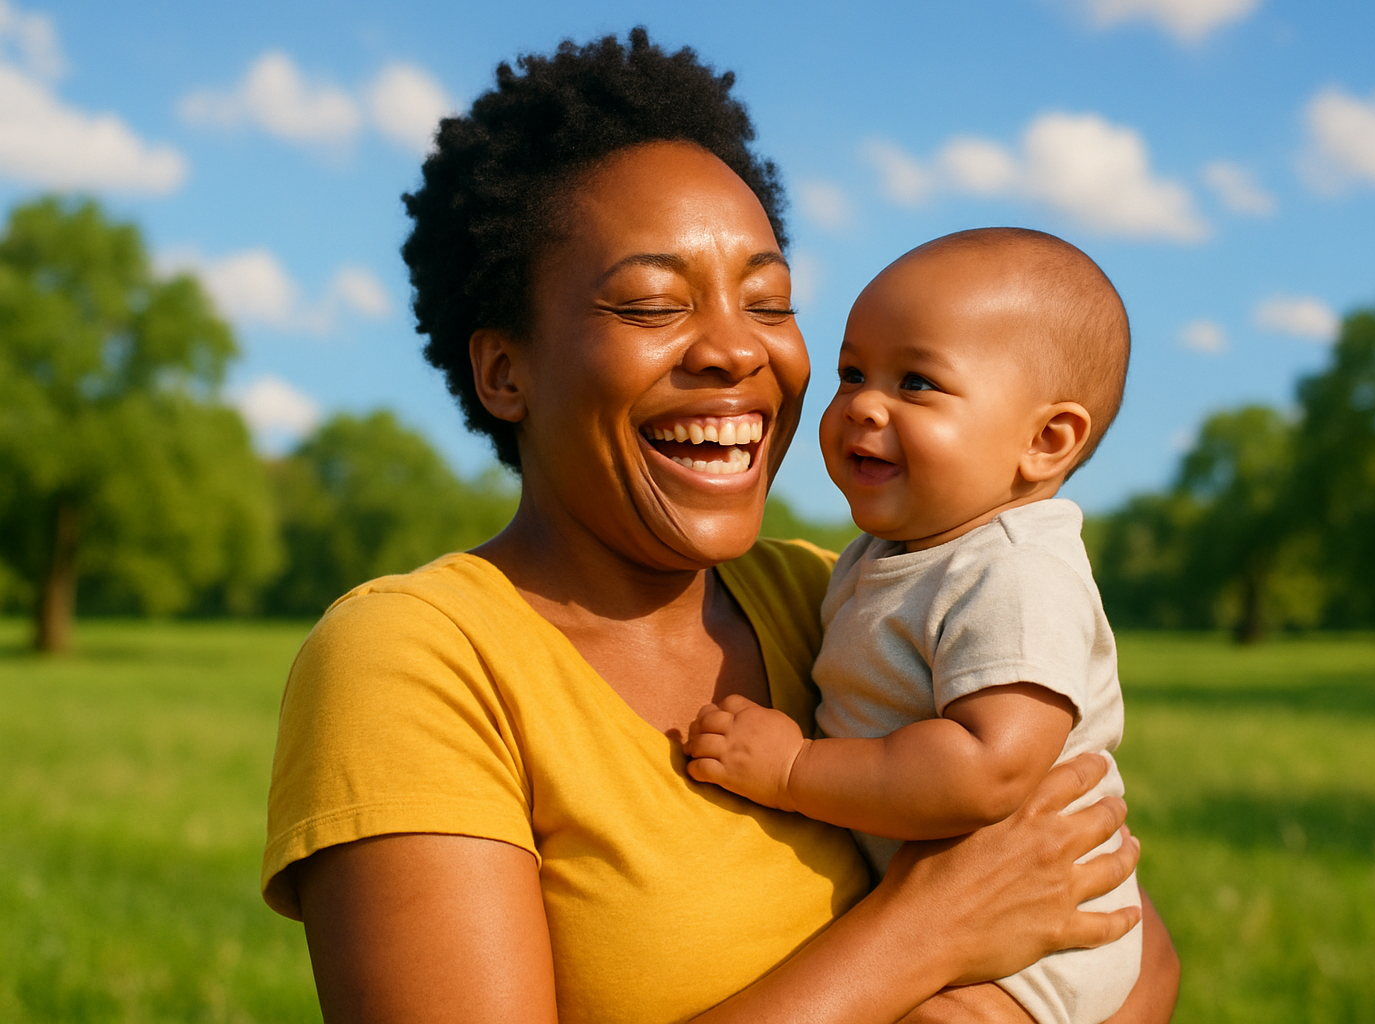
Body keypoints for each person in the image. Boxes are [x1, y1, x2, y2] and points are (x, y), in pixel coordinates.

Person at [261, 30, 1179, 1024]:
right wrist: (926, 932)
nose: (735, 349)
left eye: (769, 302)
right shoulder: (417, 659)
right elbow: (982, 903)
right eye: (653, 305)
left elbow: (1133, 951)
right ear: (504, 372)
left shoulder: (839, 596)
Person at [685, 229, 1140, 1024]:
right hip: (965, 925)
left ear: (1046, 441)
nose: (863, 402)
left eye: (918, 382)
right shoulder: (892, 554)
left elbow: (986, 767)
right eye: (853, 372)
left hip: (1038, 954)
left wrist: (795, 769)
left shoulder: (1016, 571)